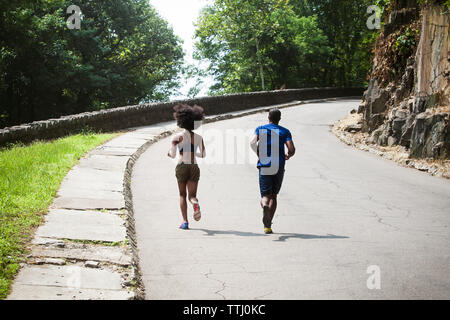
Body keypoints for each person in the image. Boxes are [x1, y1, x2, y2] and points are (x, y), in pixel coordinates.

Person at [250, 108, 295, 234]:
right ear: (279, 119)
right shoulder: (284, 131)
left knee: (265, 195)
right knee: (274, 196)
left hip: (264, 164)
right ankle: (268, 225)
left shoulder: (260, 129)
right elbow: (291, 149)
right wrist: (288, 155)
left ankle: (264, 206)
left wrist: (259, 154)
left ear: (268, 117)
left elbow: (252, 142)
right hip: (278, 165)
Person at [168, 104, 206, 230]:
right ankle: (195, 203)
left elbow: (173, 155)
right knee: (192, 196)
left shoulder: (177, 137)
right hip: (194, 165)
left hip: (182, 165)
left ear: (181, 120)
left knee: (182, 195)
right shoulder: (199, 137)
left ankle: (185, 222)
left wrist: (169, 152)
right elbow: (203, 154)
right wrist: (194, 152)